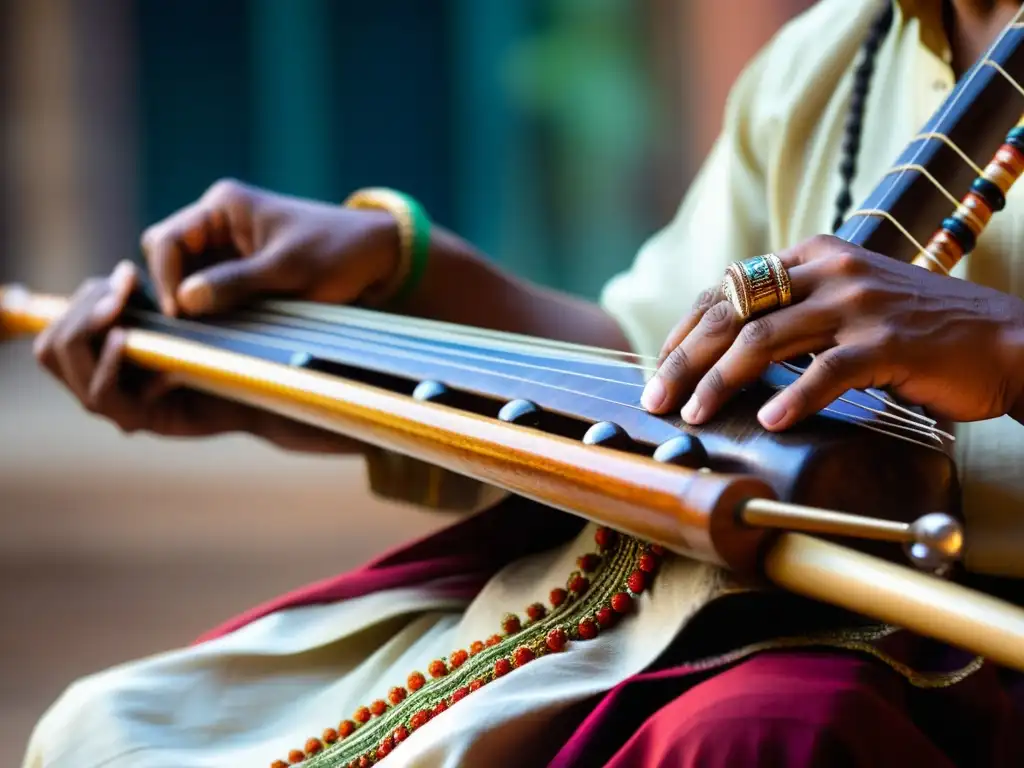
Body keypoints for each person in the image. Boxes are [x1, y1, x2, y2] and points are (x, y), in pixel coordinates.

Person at [20, 0, 1024, 765]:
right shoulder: (826, 61)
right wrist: (393, 270)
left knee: (757, 739)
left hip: (974, 647)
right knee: (116, 727)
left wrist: (1005, 348)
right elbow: (658, 374)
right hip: (745, 599)